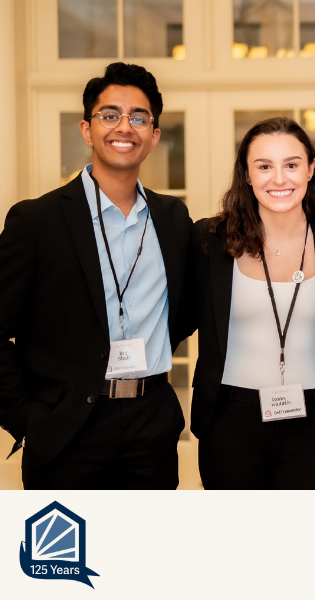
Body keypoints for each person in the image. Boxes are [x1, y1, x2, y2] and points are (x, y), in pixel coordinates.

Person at [0, 63, 193, 489]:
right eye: (110, 115)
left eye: (139, 118)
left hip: (152, 424)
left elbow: (187, 311)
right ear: (87, 129)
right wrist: (27, 418)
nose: (125, 127)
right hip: (67, 429)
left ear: (154, 137)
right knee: (69, 556)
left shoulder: (174, 219)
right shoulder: (36, 221)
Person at [190, 118, 315, 489]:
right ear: (246, 175)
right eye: (264, 166)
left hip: (313, 421)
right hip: (230, 420)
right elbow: (177, 316)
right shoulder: (211, 240)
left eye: (291, 164)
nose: (279, 179)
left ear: (311, 168)